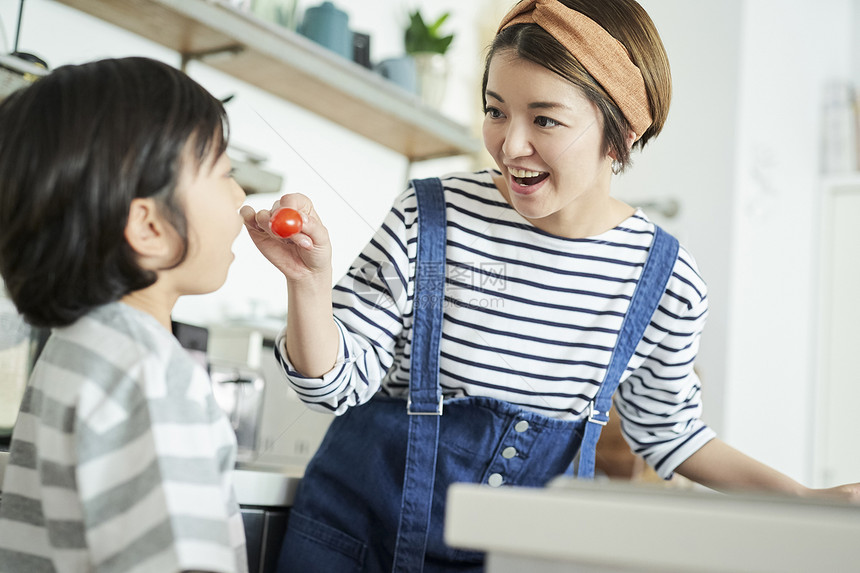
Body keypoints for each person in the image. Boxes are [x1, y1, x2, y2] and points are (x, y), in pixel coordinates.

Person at [241, 1, 860, 571]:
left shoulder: (666, 282)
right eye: (495, 110)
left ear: (623, 133)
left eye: (545, 118)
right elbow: (335, 385)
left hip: (520, 560)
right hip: (352, 547)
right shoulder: (431, 216)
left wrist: (803, 499)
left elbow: (671, 433)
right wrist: (310, 287)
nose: (510, 145)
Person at [0, 57, 249, 573]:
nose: (242, 196)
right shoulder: (148, 373)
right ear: (149, 228)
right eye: (226, 174)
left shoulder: (76, 348)